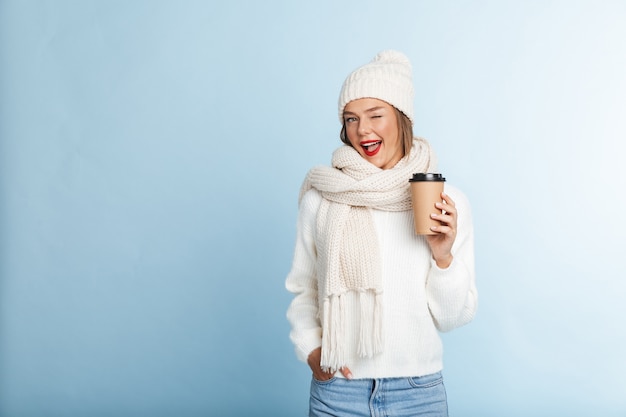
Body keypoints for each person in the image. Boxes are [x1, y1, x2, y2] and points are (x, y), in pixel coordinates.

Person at [285, 50, 477, 417]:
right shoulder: (322, 197)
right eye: (351, 119)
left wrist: (443, 256)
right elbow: (303, 287)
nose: (362, 130)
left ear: (402, 120)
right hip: (338, 392)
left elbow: (452, 318)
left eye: (376, 115)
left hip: (418, 392)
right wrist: (311, 350)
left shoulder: (445, 202)